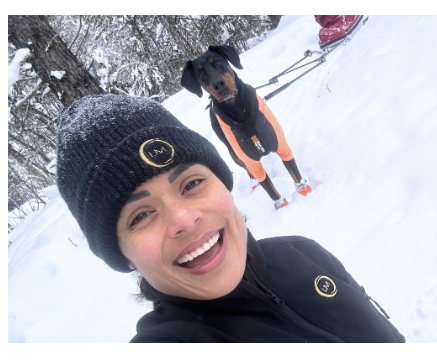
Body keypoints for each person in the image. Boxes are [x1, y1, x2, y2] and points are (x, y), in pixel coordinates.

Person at [55, 95, 402, 342]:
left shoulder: (303, 252)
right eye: (141, 215)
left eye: (191, 183)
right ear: (122, 255)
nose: (185, 219)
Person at [179, 45, 311, 209]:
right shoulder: (217, 119)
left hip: (252, 107)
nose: (216, 81)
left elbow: (285, 150)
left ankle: (300, 182)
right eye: (203, 76)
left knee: (281, 146)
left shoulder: (256, 103)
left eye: (218, 64)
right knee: (240, 157)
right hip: (226, 119)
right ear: (198, 84)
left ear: (229, 62)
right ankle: (274, 196)